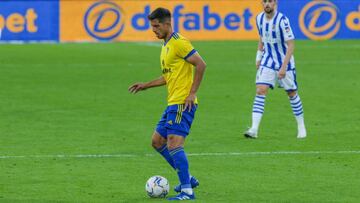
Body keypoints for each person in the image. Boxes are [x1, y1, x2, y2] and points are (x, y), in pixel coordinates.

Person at [128, 7, 206, 201]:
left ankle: (187, 191)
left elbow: (201, 64)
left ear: (166, 24)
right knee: (157, 141)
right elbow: (168, 76)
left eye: (156, 26)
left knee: (173, 143)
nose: (153, 30)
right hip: (172, 103)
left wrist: (192, 93)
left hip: (183, 103)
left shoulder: (179, 43)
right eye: (152, 26)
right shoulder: (165, 46)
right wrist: (146, 85)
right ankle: (187, 178)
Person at [244, 0, 307, 139]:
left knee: (291, 93)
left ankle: (301, 127)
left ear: (275, 3)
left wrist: (284, 67)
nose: (267, 4)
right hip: (268, 60)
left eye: (270, 1)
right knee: (260, 90)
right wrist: (258, 57)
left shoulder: (282, 20)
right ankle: (254, 129)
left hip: (285, 62)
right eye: (265, 1)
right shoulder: (259, 18)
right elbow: (261, 38)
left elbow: (291, 44)